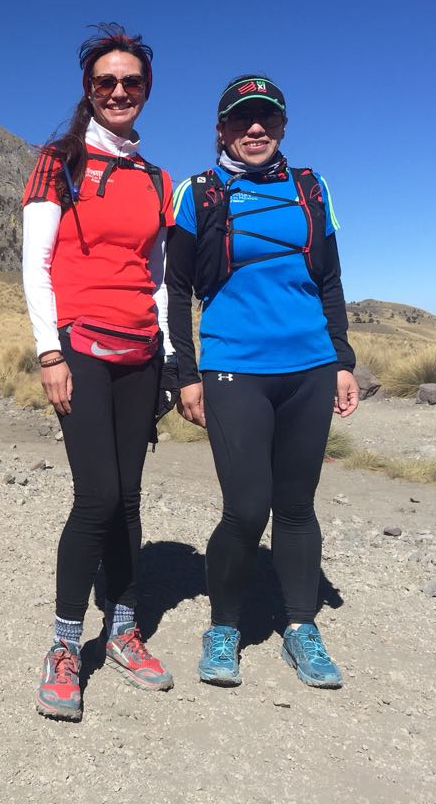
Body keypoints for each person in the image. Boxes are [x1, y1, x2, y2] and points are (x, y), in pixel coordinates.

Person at [164, 74, 359, 689]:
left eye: (267, 118)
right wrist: (185, 374)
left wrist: (343, 360)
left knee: (296, 507)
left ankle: (301, 626)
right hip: (234, 366)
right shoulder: (198, 193)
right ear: (221, 129)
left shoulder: (311, 188)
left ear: (282, 126)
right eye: (242, 119)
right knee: (247, 508)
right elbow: (175, 288)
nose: (255, 128)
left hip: (310, 367)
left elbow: (329, 280)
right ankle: (224, 627)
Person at [22, 24, 175, 721]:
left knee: (130, 499)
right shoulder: (58, 162)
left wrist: (169, 356)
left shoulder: (156, 179)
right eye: (106, 81)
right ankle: (63, 646)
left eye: (131, 81)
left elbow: (157, 276)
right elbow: (36, 264)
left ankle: (122, 629)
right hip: (80, 347)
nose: (119, 91)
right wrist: (49, 352)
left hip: (141, 352)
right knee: (97, 497)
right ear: (88, 89)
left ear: (146, 89)